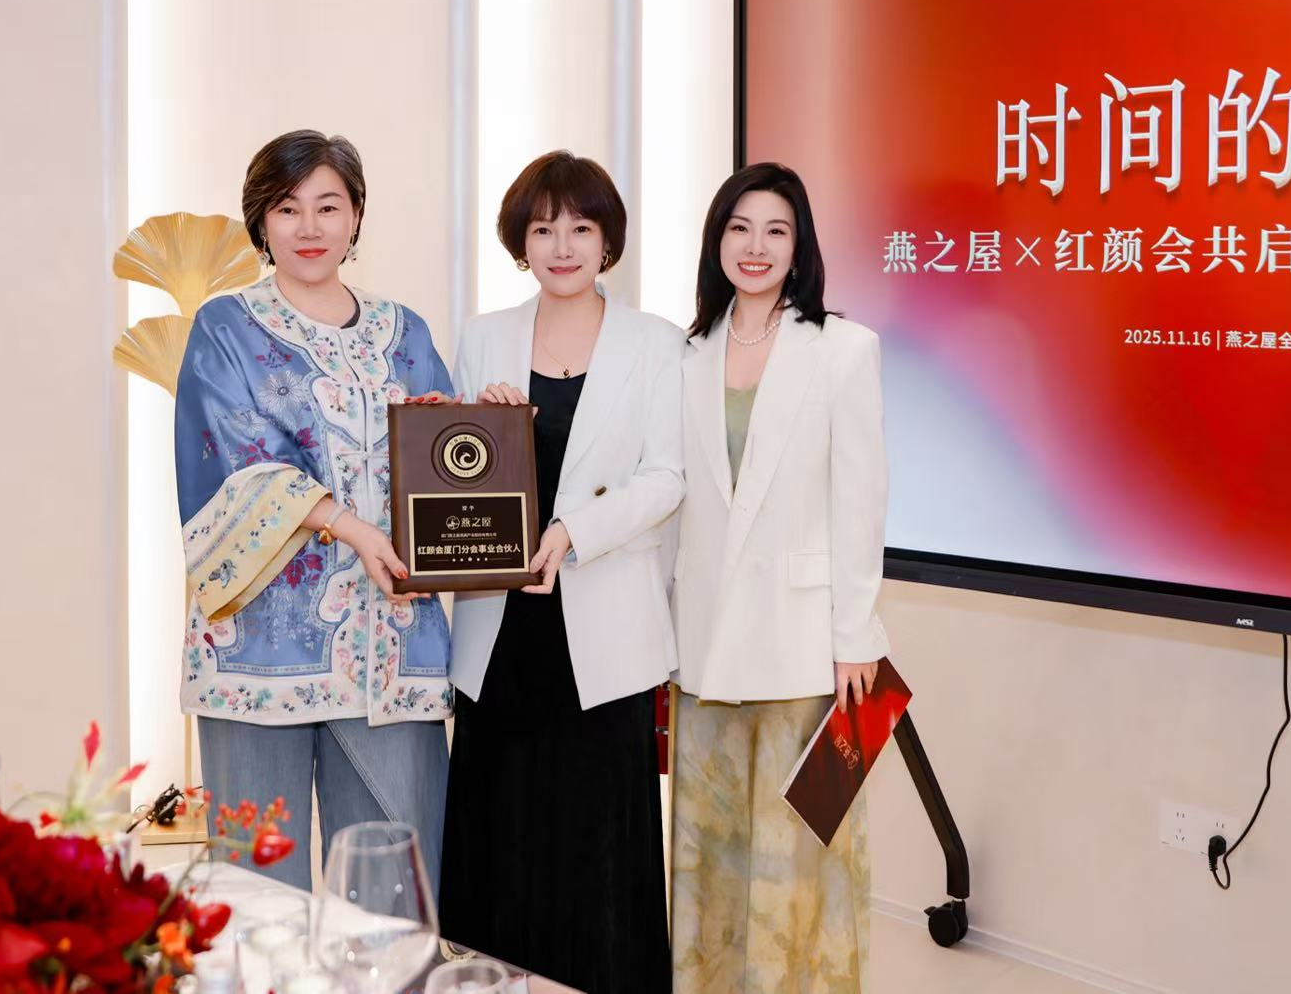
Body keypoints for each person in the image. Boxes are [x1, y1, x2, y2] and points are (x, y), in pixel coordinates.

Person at [173, 129, 455, 891]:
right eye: (287, 207)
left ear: (356, 216)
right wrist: (350, 526)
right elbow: (234, 459)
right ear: (260, 220)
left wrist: (479, 424)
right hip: (258, 651)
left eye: (328, 206)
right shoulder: (226, 328)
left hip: (392, 646)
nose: (309, 227)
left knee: (394, 888)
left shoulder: (406, 333)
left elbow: (443, 459)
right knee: (261, 891)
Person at [438, 151, 681, 992]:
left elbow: (667, 477)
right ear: (521, 242)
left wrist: (575, 530)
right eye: (543, 228)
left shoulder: (656, 342)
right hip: (500, 631)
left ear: (608, 238)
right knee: (499, 840)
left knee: (598, 855)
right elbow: (451, 471)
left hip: (603, 630)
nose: (563, 245)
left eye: (581, 226)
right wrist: (480, 427)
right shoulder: (482, 335)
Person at [670, 162, 889, 992]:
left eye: (775, 230)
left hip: (807, 650)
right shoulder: (685, 353)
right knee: (711, 858)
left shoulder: (844, 349)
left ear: (799, 247)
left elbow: (861, 501)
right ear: (716, 240)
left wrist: (855, 634)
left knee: (800, 862)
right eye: (739, 227)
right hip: (705, 649)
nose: (755, 246)